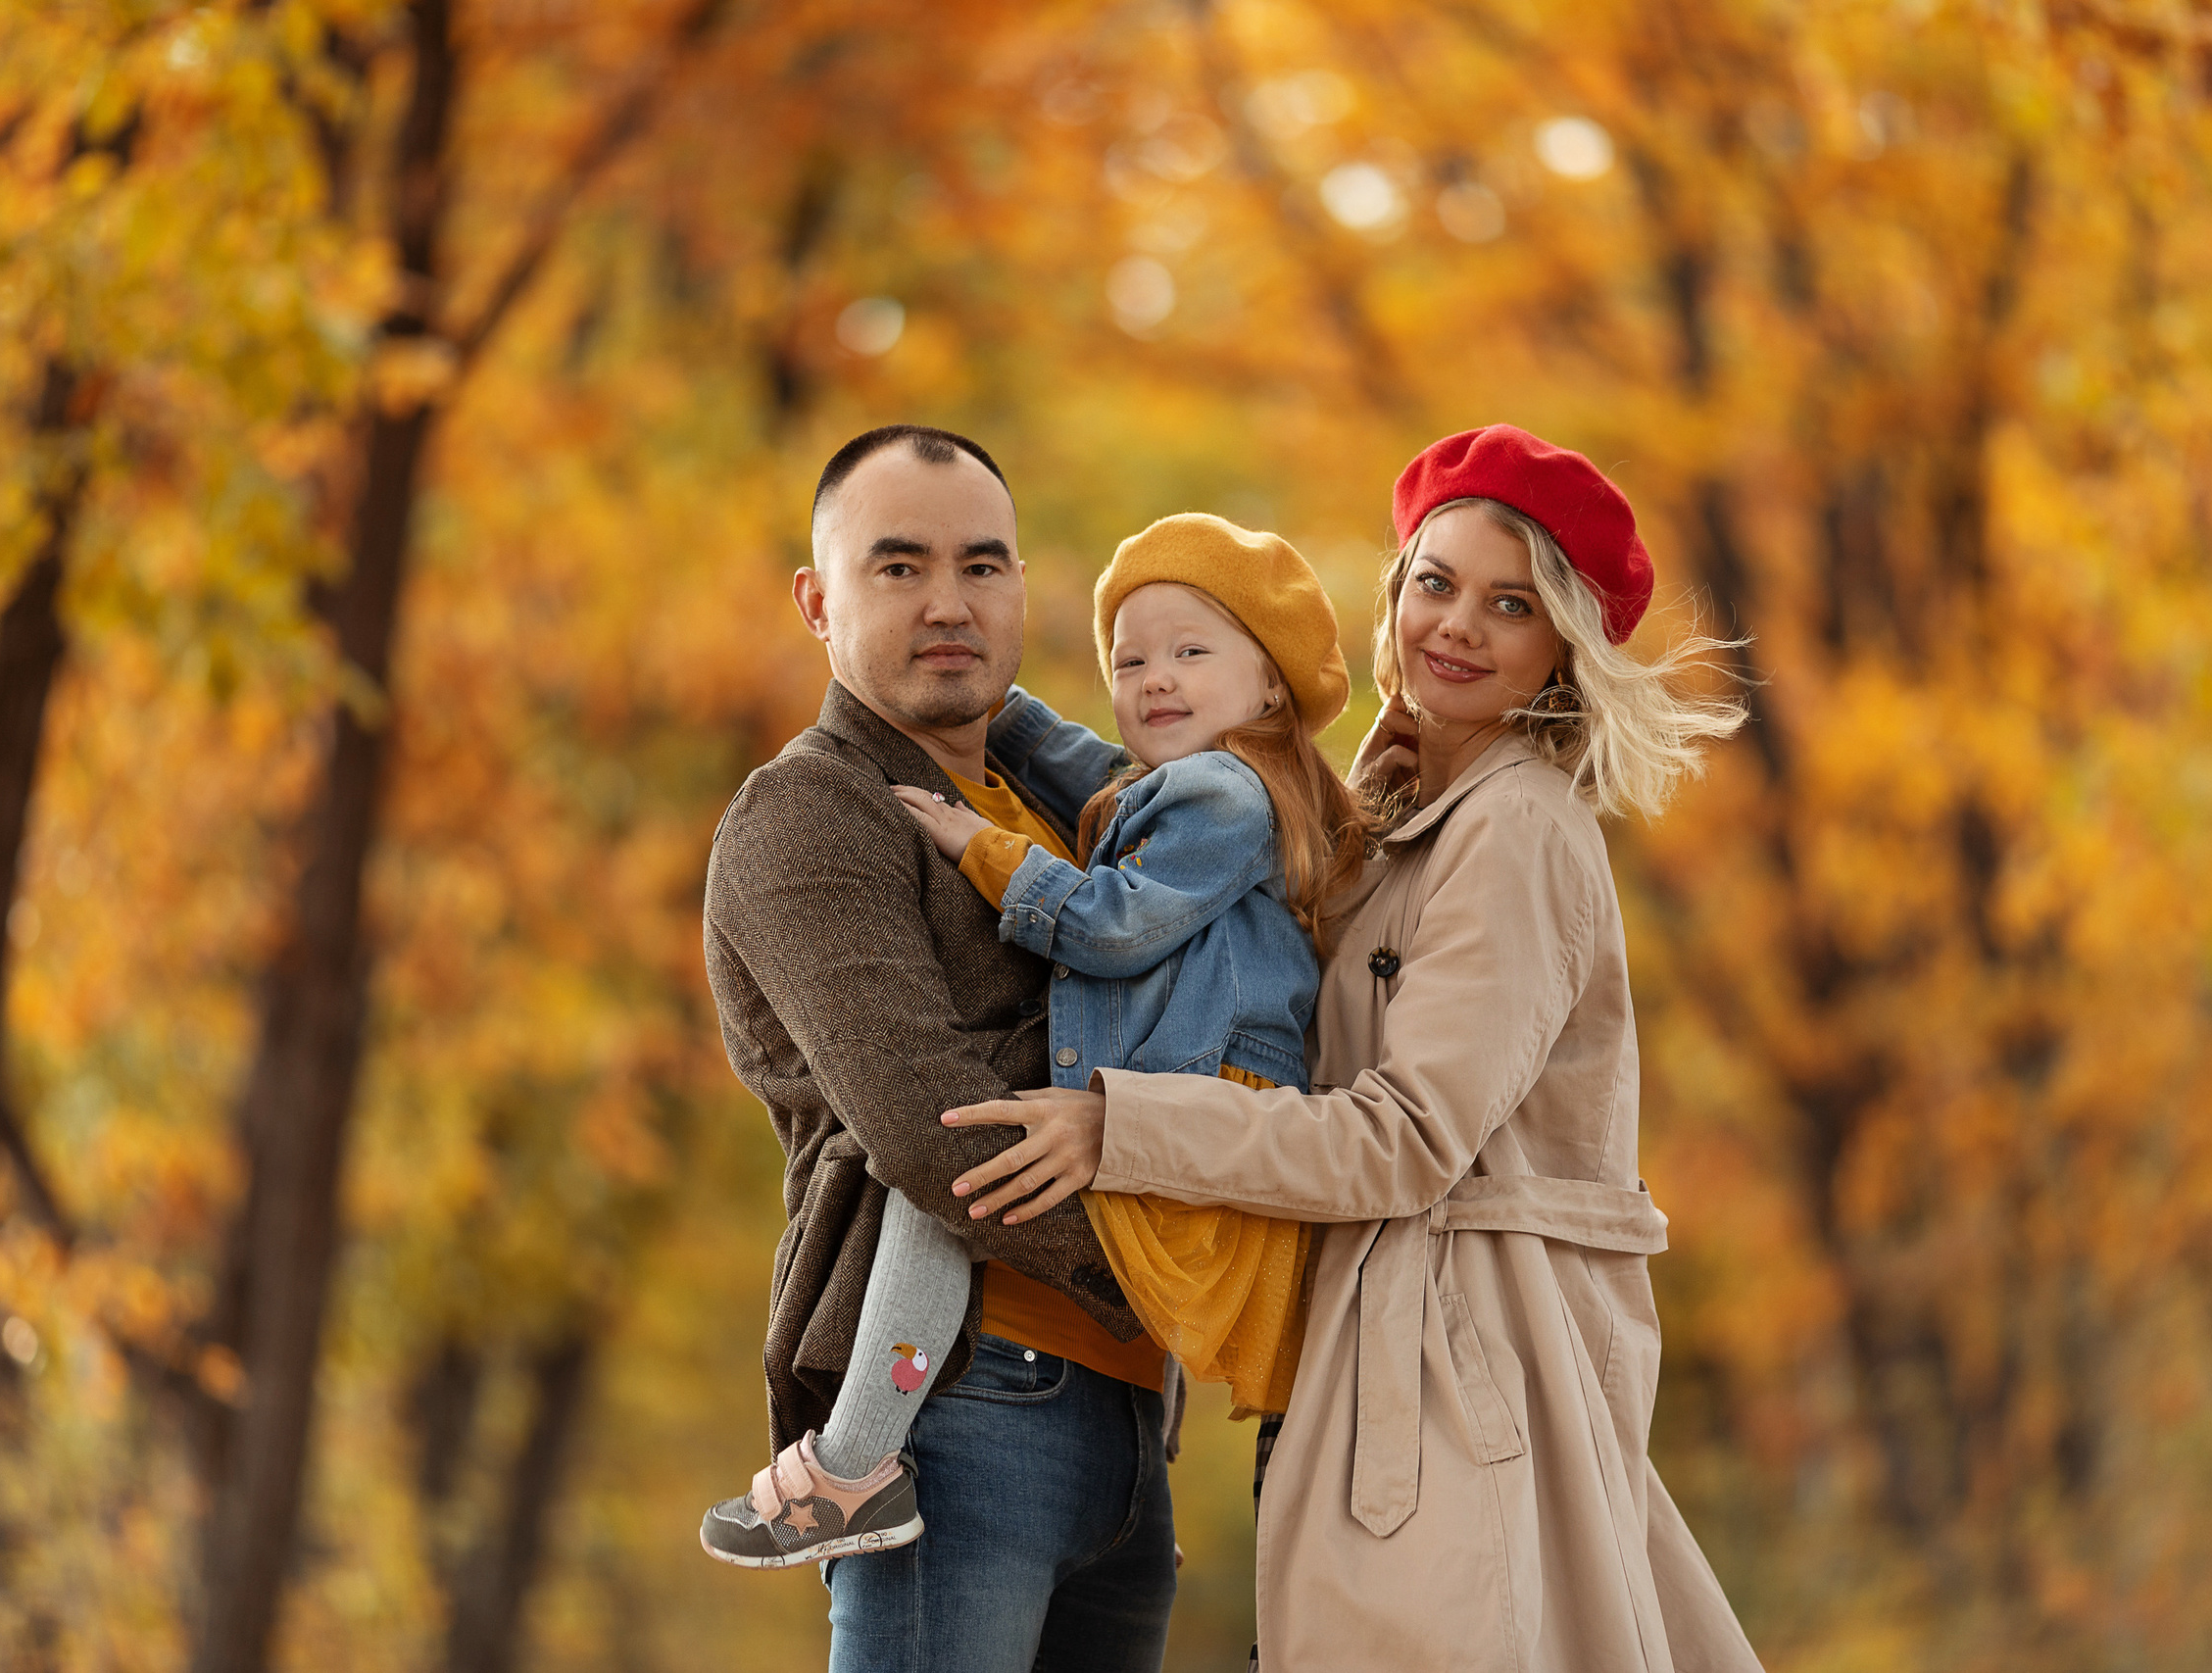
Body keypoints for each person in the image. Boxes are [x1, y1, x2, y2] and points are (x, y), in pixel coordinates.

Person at [939, 425, 1770, 1671]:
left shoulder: (1518, 828)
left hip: (1466, 1361)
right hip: (1384, 1348)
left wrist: (1123, 1128)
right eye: (1435, 582)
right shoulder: (1390, 816)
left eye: (1511, 604)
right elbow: (1175, 832)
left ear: (1560, 650)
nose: (1459, 627)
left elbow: (1407, 1137)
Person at [704, 512, 1366, 1571]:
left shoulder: (1222, 792)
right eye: (1130, 657)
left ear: (1272, 686)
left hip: (1183, 1137)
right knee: (954, 1185)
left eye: (1192, 653)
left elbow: (1113, 925)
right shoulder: (1175, 784)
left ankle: (855, 1463)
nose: (1155, 678)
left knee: (957, 1185)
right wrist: (980, 686)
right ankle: (856, 1466)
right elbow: (1073, 757)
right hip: (1161, 1205)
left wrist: (990, 854)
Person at [694, 425, 1175, 1671]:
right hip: (961, 1403)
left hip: (1128, 1412)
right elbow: (930, 1124)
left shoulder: (1078, 810)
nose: (948, 603)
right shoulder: (808, 812)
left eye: (982, 566)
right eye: (897, 567)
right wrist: (1195, 1252)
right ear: (818, 600)